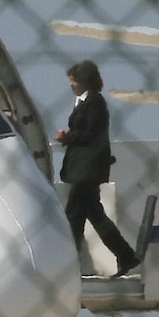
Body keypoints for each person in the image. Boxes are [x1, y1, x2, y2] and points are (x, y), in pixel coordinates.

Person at [55, 60, 141, 277]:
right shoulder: (84, 102)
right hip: (83, 169)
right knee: (94, 215)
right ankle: (126, 256)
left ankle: (69, 266)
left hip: (86, 171)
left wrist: (69, 136)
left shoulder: (95, 103)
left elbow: (92, 133)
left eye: (74, 80)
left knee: (74, 217)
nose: (71, 85)